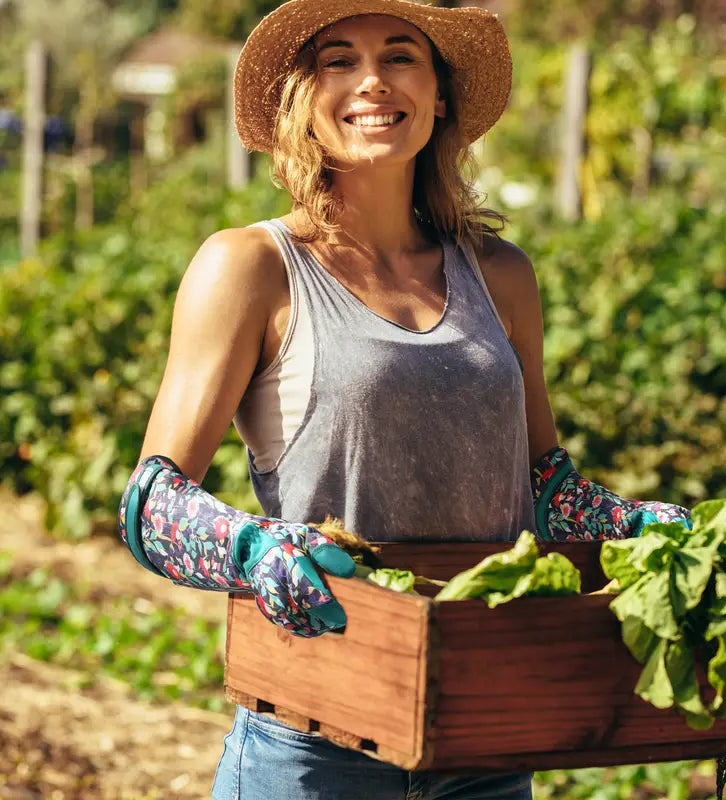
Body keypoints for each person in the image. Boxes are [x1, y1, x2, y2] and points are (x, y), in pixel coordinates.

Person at [117, 0, 691, 796]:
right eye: (337, 61)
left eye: (400, 56)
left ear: (440, 94)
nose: (373, 81)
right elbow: (151, 505)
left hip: (484, 728)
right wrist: (254, 552)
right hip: (316, 733)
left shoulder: (502, 274)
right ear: (300, 97)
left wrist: (627, 526)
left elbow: (542, 487)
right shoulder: (251, 268)